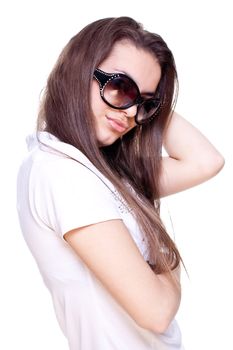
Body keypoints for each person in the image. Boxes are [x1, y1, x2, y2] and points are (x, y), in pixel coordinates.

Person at [17, 16, 224, 350]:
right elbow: (156, 312)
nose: (130, 112)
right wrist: (165, 254)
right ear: (77, 72)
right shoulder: (60, 171)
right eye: (120, 87)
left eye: (145, 102)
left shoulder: (106, 173)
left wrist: (154, 100)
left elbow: (206, 161)